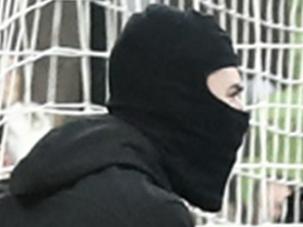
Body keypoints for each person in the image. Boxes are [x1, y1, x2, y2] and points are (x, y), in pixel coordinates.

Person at [0, 4, 249, 227]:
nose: (240, 111)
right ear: (183, 100)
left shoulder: (52, 178)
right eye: (232, 94)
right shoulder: (148, 214)